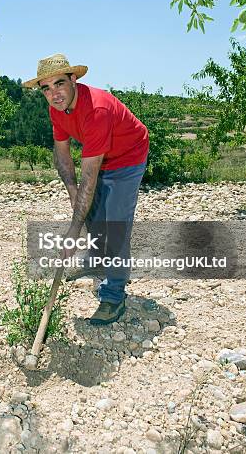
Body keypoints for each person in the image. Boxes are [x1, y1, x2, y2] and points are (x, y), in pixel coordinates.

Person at [23, 54, 149, 325]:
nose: (54, 94)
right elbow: (62, 155)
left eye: (59, 84)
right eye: (46, 88)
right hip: (102, 156)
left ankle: (114, 295)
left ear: (73, 79)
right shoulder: (56, 108)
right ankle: (94, 258)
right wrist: (73, 193)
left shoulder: (97, 110)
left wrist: (73, 229)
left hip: (128, 157)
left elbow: (89, 177)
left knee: (115, 224)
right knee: (90, 211)